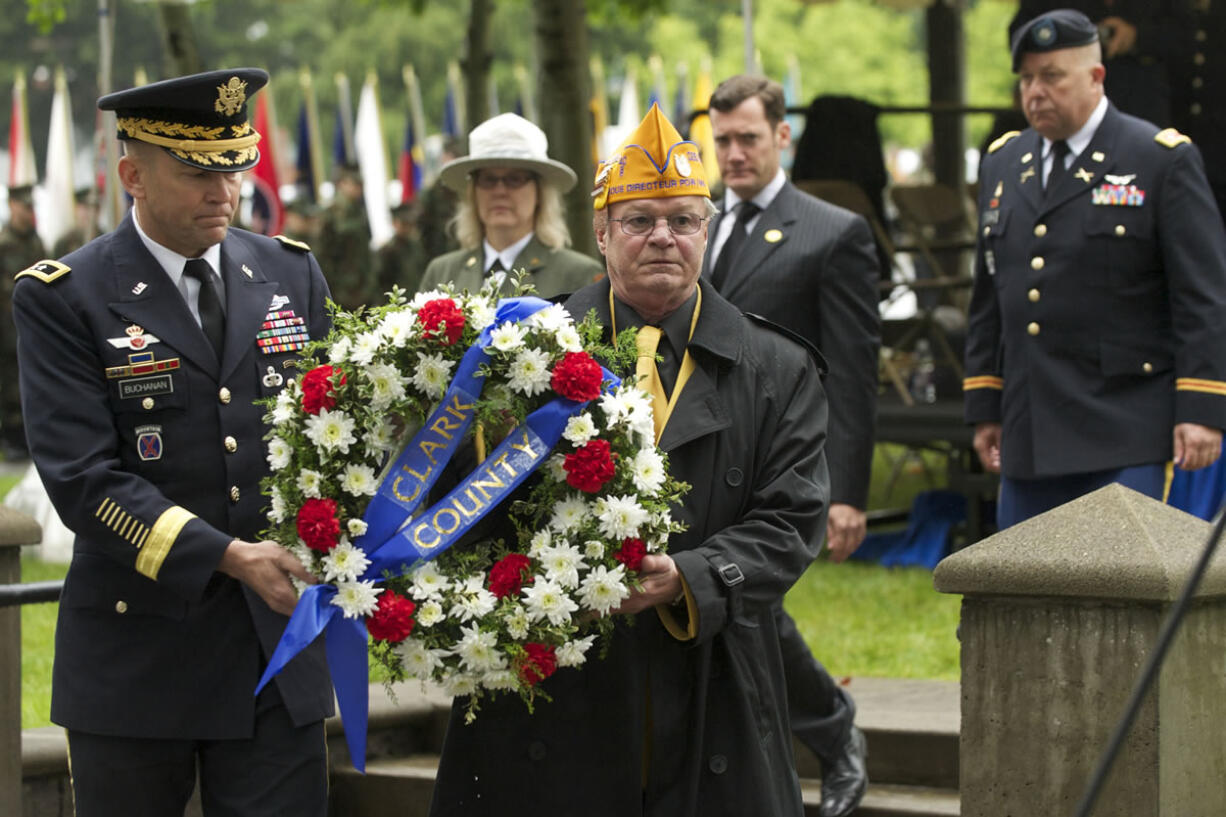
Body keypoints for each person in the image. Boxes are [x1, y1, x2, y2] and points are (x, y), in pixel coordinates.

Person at [428, 103, 830, 817]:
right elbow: (466, 500)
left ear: (707, 231)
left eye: (683, 220)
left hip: (716, 679)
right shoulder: (523, 352)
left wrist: (689, 577)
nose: (662, 239)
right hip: (558, 685)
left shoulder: (778, 366)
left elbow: (793, 522)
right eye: (640, 221)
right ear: (602, 232)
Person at [13, 68, 334, 816]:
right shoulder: (66, 296)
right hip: (138, 658)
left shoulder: (290, 272)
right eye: (197, 173)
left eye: (234, 169)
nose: (224, 192)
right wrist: (227, 555)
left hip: (273, 652)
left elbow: (332, 435)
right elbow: (83, 481)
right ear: (133, 175)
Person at [964, 9, 1226, 528]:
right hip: (1030, 427)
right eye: (1026, 79)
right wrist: (984, 408)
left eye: (1052, 76)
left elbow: (1202, 296)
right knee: (1024, 593)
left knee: (1123, 595)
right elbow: (990, 299)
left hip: (1123, 427)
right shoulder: (1003, 163)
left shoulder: (1157, 159)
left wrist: (1201, 409)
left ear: (1096, 76)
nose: (1035, 92)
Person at [706, 73, 880, 817]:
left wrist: (846, 490)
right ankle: (819, 734)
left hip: (786, 460)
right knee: (739, 603)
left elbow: (854, 374)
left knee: (749, 599)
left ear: (783, 136)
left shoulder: (832, 231)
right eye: (721, 141)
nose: (734, 154)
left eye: (748, 138)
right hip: (704, 458)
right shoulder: (696, 223)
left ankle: (833, 735)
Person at [417, 113, 604, 298]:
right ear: (473, 192)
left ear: (540, 192)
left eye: (515, 179)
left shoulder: (579, 274)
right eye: (488, 180)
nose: (500, 191)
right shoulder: (442, 273)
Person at [0, 184, 45, 459]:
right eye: (26, 207)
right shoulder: (4, 244)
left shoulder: (35, 241)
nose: (30, 213)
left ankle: (29, 436)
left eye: (32, 207)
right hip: (6, 327)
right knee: (9, 383)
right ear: (13, 206)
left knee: (31, 381)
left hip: (32, 326)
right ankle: (12, 439)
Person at [316, 162, 374, 308]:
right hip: (341, 290)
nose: (358, 189)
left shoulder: (360, 212)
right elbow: (323, 254)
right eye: (354, 184)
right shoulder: (330, 214)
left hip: (364, 287)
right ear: (342, 184)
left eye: (360, 185)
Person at [374, 200, 427, 298]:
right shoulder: (386, 251)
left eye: (410, 224)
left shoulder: (416, 247)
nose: (407, 228)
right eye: (404, 224)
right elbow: (381, 284)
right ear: (394, 224)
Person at [53, 186, 101, 257]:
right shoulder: (64, 243)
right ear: (76, 209)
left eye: (95, 209)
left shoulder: (103, 238)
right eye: (85, 208)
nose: (90, 214)